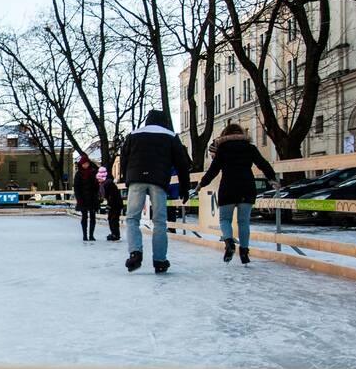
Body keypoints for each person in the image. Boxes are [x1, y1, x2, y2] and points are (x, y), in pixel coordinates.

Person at [119, 109, 193, 274]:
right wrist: (185, 187)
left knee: (132, 218)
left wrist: (127, 178)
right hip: (158, 181)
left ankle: (135, 252)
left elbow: (123, 158)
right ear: (164, 121)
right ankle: (159, 260)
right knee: (159, 222)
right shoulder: (170, 136)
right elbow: (182, 164)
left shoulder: (133, 134)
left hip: (136, 179)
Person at [196, 123, 278, 264]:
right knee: (243, 222)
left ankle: (229, 242)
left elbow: (213, 170)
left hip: (228, 187)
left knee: (225, 220)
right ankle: (244, 252)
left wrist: (201, 184)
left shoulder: (222, 149)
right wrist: (272, 179)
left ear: (225, 135)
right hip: (247, 187)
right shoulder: (250, 148)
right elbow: (263, 163)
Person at [73, 153, 100, 242]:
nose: (85, 165)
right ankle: (85, 235)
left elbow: (96, 186)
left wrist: (97, 193)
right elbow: (76, 188)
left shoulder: (93, 172)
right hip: (83, 198)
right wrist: (79, 199)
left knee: (93, 216)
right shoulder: (78, 174)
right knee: (84, 217)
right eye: (84, 164)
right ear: (81, 164)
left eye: (87, 163)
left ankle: (91, 235)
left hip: (92, 198)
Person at [98, 165, 123, 241]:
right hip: (115, 203)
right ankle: (115, 233)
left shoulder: (107, 184)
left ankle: (115, 234)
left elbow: (112, 196)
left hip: (115, 204)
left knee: (113, 219)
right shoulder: (105, 184)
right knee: (112, 219)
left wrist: (109, 205)